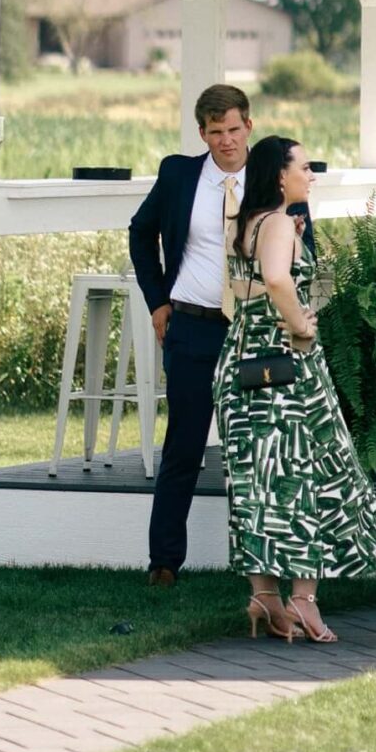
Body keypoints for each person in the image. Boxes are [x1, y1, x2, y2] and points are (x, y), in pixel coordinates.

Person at [128, 82, 313, 586]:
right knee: (184, 444)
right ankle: (164, 562)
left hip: (254, 336)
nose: (227, 141)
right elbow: (140, 232)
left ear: (249, 126)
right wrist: (157, 301)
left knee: (263, 448)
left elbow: (302, 262)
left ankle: (269, 568)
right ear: (202, 134)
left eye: (234, 129)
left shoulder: (276, 180)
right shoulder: (178, 174)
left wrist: (295, 323)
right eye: (216, 133)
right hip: (192, 326)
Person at [216, 133, 376, 641]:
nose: (311, 174)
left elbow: (241, 288)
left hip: (240, 365)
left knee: (257, 485)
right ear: (280, 174)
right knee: (306, 478)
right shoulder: (276, 224)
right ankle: (303, 601)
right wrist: (299, 324)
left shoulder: (243, 222)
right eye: (304, 166)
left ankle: (264, 599)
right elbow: (276, 280)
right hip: (286, 370)